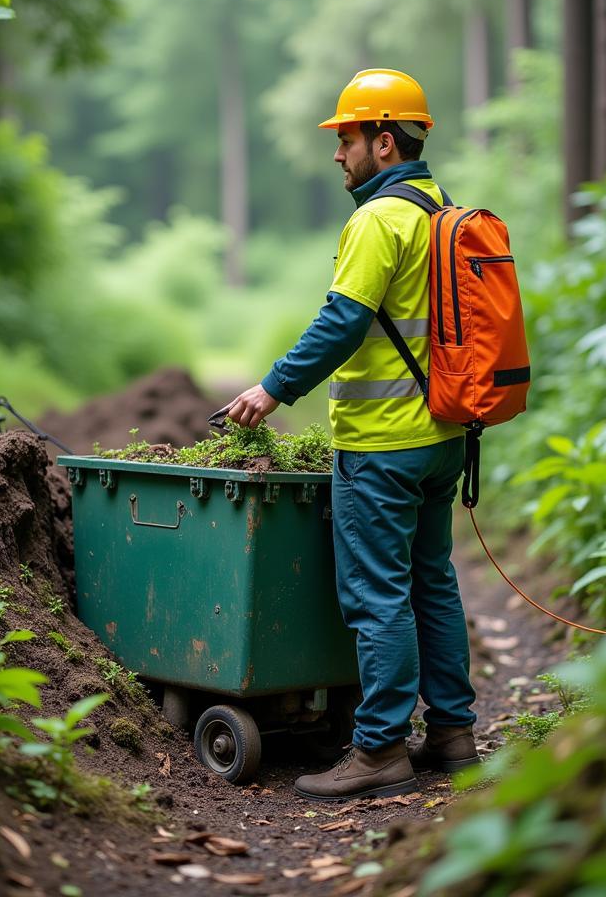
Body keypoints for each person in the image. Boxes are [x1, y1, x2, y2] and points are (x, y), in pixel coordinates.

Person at [226, 68, 479, 801]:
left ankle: (379, 750)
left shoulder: (379, 220)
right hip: (440, 438)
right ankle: (454, 734)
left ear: (385, 139)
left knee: (377, 596)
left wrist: (270, 390)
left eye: (346, 139)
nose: (338, 154)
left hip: (383, 446)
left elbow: (343, 321)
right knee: (432, 583)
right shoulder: (439, 207)